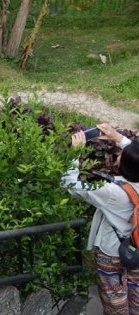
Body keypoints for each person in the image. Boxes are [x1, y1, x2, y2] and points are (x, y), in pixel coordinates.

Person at [61, 123, 139, 314]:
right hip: (137, 245)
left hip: (112, 251)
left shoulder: (112, 193)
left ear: (125, 166)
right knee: (136, 293)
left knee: (114, 299)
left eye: (122, 155)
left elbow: (69, 185)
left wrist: (74, 155)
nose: (119, 154)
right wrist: (118, 138)